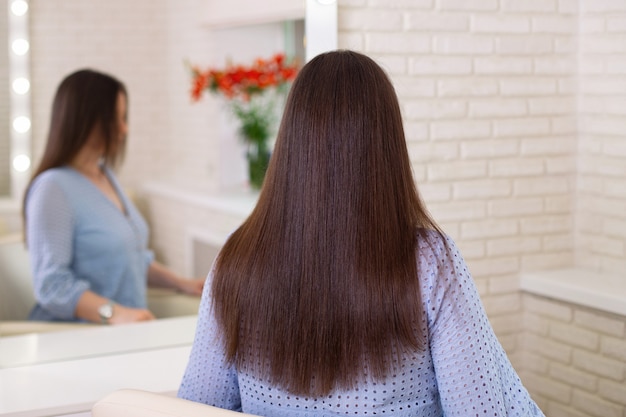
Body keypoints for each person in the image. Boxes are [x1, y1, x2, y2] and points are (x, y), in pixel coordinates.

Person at [178, 50, 545, 416]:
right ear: (387, 148)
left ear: (291, 141)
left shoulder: (236, 259)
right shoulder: (429, 261)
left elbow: (197, 407)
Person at [23, 69, 204, 324]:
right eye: (116, 119)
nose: (124, 129)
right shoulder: (52, 188)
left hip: (122, 332)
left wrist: (184, 283)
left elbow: (131, 259)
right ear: (86, 119)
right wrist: (114, 313)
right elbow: (51, 285)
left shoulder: (106, 176)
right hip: (76, 338)